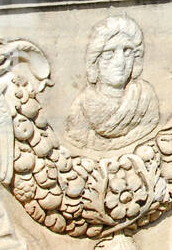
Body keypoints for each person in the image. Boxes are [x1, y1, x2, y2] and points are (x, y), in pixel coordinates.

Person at [66, 15, 161, 152]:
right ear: (95, 62)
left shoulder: (146, 98)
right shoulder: (82, 107)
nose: (120, 62)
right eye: (109, 53)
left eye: (127, 51)